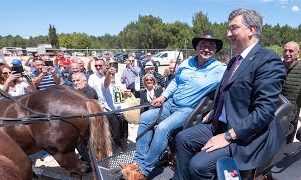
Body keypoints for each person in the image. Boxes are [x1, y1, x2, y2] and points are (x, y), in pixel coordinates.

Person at [173, 9, 287, 180]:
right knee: (182, 138)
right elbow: (228, 92)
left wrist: (228, 136)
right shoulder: (235, 61)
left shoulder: (268, 61)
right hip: (222, 123)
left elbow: (264, 111)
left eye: (234, 28)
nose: (228, 34)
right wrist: (215, 111)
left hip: (248, 134)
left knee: (199, 166)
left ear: (251, 29)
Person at [120, 30, 227, 180]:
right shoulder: (187, 62)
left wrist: (213, 111)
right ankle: (138, 163)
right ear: (196, 47)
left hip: (187, 110)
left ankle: (144, 171)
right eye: (203, 44)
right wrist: (163, 96)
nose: (207, 49)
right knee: (144, 117)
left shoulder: (220, 69)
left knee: (163, 128)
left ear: (215, 50)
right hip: (170, 104)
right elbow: (176, 82)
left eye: (211, 46)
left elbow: (227, 90)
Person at [281, 41, 301, 142]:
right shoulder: (276, 67)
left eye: (291, 51)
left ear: (298, 53)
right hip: (272, 115)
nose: (287, 53)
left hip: (290, 119)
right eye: (285, 50)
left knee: (286, 148)